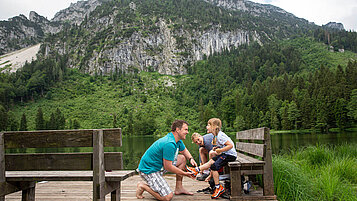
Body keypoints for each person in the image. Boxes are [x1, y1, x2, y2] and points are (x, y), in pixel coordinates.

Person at [136, 120, 198, 201]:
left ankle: (179, 188)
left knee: (182, 158)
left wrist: (191, 159)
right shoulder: (169, 143)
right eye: (185, 129)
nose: (187, 132)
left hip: (159, 166)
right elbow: (168, 167)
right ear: (177, 130)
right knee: (167, 197)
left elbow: (184, 150)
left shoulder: (177, 140)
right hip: (148, 170)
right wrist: (184, 173)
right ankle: (143, 186)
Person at [186, 118, 237, 199]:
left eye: (208, 125)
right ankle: (196, 170)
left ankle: (218, 187)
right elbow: (223, 145)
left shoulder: (220, 136)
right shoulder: (216, 136)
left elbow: (230, 145)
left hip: (230, 155)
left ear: (213, 126)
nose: (207, 127)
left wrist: (220, 150)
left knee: (214, 166)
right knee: (211, 161)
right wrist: (217, 147)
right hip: (225, 154)